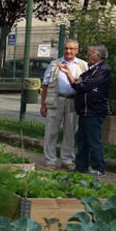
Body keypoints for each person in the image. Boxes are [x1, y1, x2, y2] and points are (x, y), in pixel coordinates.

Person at [39, 40, 87, 170]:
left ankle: (67, 159)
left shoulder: (83, 65)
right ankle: (50, 160)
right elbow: (45, 85)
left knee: (70, 131)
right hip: (56, 99)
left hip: (73, 101)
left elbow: (85, 86)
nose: (68, 51)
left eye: (71, 49)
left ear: (77, 50)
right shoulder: (54, 64)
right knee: (51, 130)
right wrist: (43, 105)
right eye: (66, 48)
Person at [73, 45, 112, 176]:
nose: (87, 57)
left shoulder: (102, 70)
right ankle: (81, 166)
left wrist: (80, 83)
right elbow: (79, 81)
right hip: (85, 110)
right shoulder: (91, 70)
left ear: (98, 56)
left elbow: (84, 85)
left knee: (94, 140)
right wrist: (79, 82)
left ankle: (98, 168)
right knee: (82, 139)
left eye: (89, 54)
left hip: (94, 110)